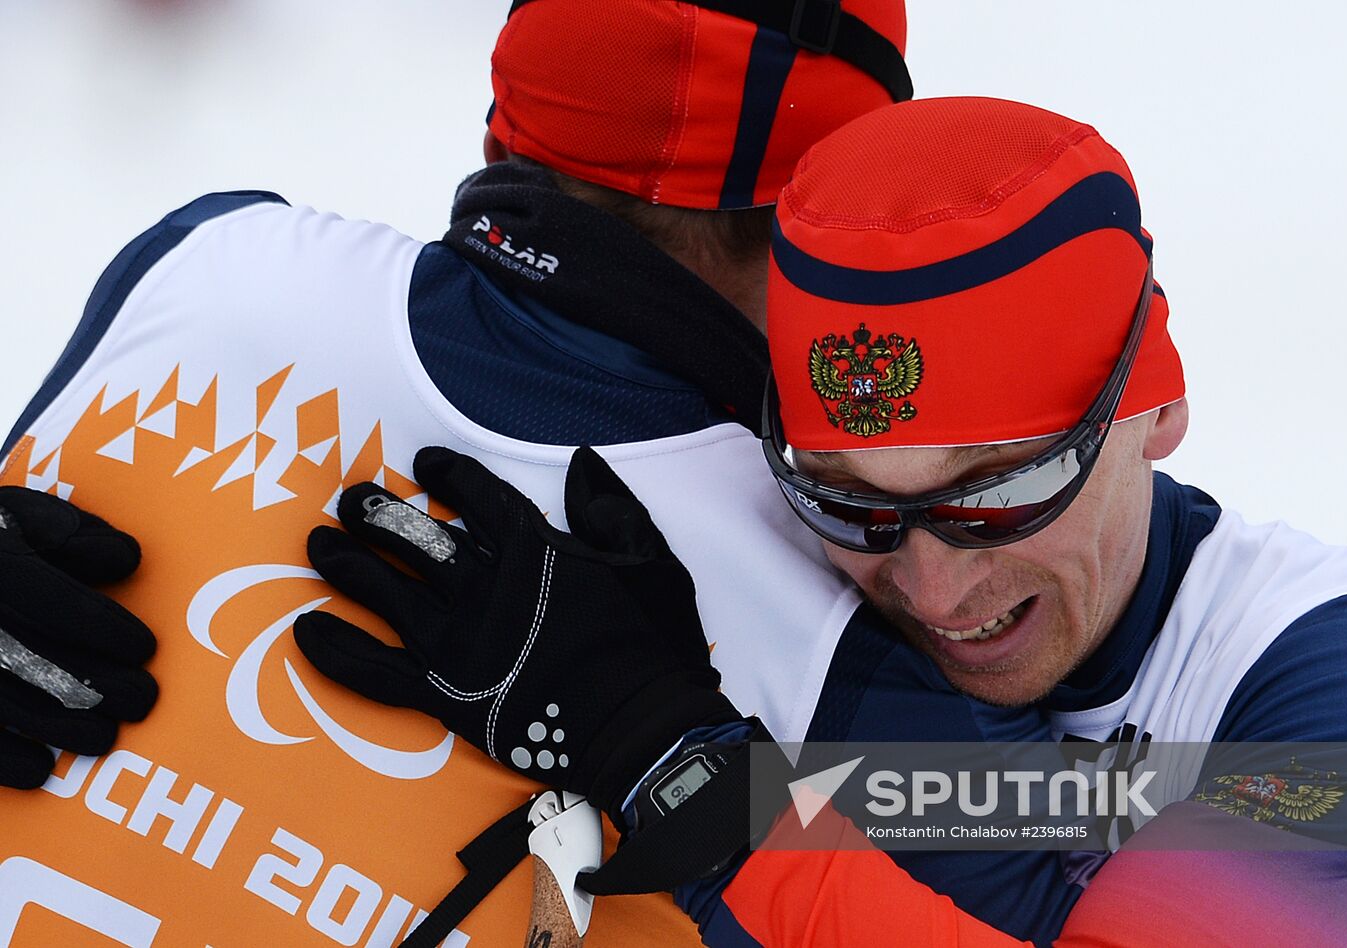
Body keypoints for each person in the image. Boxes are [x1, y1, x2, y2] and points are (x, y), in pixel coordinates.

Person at [1, 3, 1070, 945]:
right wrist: (694, 770)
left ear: (505, 121)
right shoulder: (846, 611)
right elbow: (1210, 838)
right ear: (823, 222)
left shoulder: (209, 268)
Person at [295, 97, 1347, 946]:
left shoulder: (1341, 700)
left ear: (1154, 409)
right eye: (849, 500)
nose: (929, 588)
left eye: (996, 495)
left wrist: (688, 781)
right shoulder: (747, 558)